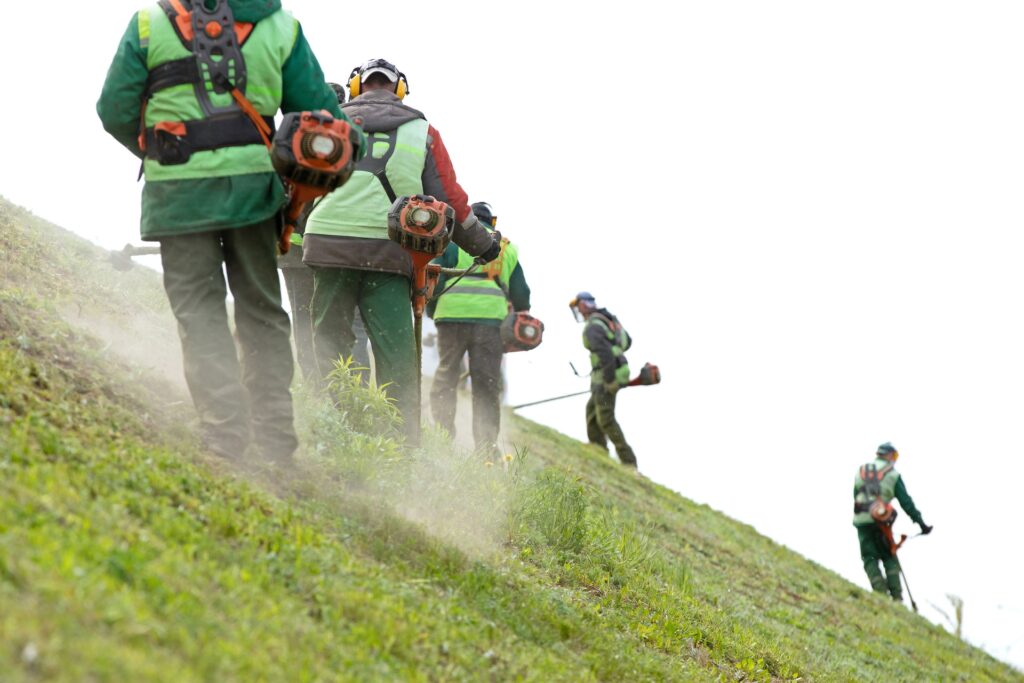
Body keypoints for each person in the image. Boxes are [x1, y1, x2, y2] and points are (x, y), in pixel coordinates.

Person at [97, 0, 362, 463]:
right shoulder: (281, 26)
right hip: (254, 195)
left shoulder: (147, 23)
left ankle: (224, 434)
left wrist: (158, 149)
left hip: (176, 196)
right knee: (261, 308)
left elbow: (114, 109)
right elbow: (324, 118)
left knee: (199, 312)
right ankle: (276, 438)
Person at [302, 59, 500, 447]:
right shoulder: (423, 132)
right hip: (389, 256)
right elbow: (452, 203)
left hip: (326, 246)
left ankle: (335, 430)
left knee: (330, 344)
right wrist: (483, 244)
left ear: (356, 88)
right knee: (395, 358)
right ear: (400, 91)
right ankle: (399, 446)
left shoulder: (325, 123)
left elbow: (296, 183)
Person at [427, 202, 531, 455]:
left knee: (446, 376)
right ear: (492, 221)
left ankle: (442, 439)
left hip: (450, 318)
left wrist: (432, 310)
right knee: (486, 386)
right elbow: (521, 295)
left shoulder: (450, 240)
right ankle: (486, 450)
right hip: (490, 323)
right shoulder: (506, 248)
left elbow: (434, 278)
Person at [852, 442, 933, 601]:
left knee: (869, 557)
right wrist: (921, 523)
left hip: (861, 519)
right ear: (889, 455)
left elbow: (855, 494)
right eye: (894, 456)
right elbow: (906, 502)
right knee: (889, 556)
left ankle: (880, 594)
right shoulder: (893, 474)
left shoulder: (862, 470)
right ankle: (896, 599)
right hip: (881, 521)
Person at [569, 292, 637, 467]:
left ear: (583, 306)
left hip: (606, 376)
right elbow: (627, 342)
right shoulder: (608, 320)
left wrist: (609, 380)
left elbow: (605, 354)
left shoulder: (593, 326)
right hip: (617, 370)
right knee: (592, 410)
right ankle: (598, 448)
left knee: (606, 418)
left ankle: (628, 461)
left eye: (578, 307)